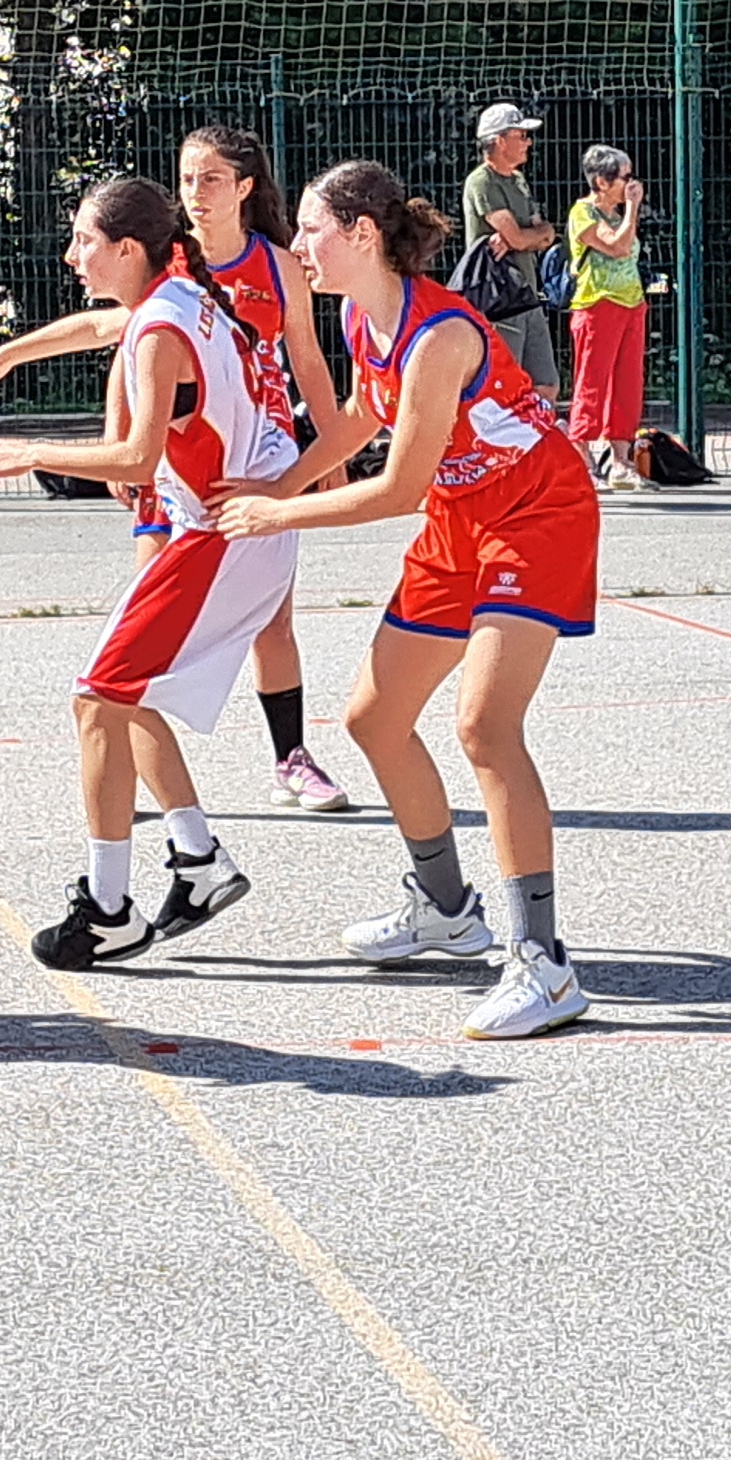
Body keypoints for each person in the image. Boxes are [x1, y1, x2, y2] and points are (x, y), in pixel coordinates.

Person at [210, 161, 599, 1040]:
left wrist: (275, 513)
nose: (297, 245)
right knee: (375, 720)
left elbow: (396, 488)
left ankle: (543, 966)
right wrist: (275, 482)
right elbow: (359, 417)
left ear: (361, 234)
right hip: (463, 517)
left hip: (538, 515)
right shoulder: (362, 315)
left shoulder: (440, 337)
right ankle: (446, 908)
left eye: (311, 229)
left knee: (485, 727)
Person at [0, 125, 352, 813]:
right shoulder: (170, 266)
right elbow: (119, 340)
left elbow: (306, 360)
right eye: (187, 179)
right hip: (173, 460)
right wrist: (21, 368)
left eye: (211, 179)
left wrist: (329, 451)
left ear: (245, 187)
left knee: (271, 622)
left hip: (251, 458)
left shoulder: (277, 266)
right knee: (143, 620)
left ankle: (290, 759)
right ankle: (127, 767)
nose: (196, 192)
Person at [0, 178, 300, 970]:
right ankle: (198, 860)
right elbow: (102, 327)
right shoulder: (182, 296)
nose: (72, 256)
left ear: (128, 250)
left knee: (97, 699)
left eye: (84, 241)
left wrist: (34, 451)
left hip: (222, 536)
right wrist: (2, 356)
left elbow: (135, 459)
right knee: (126, 697)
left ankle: (107, 911)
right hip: (234, 529)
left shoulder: (161, 329)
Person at [456, 101, 565, 413]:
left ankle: (536, 439)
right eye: (522, 135)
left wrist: (529, 237)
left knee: (546, 384)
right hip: (500, 298)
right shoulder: (482, 182)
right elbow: (520, 236)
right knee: (503, 384)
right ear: (500, 141)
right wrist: (528, 237)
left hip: (527, 294)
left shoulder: (518, 180)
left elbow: (545, 234)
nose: (528, 142)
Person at [563, 145, 650, 485]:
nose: (632, 184)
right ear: (602, 181)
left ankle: (621, 461)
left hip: (631, 304)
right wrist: (633, 208)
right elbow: (617, 246)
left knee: (628, 383)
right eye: (625, 177)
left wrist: (628, 211)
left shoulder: (618, 214)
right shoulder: (583, 213)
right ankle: (582, 458)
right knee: (592, 382)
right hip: (597, 305)